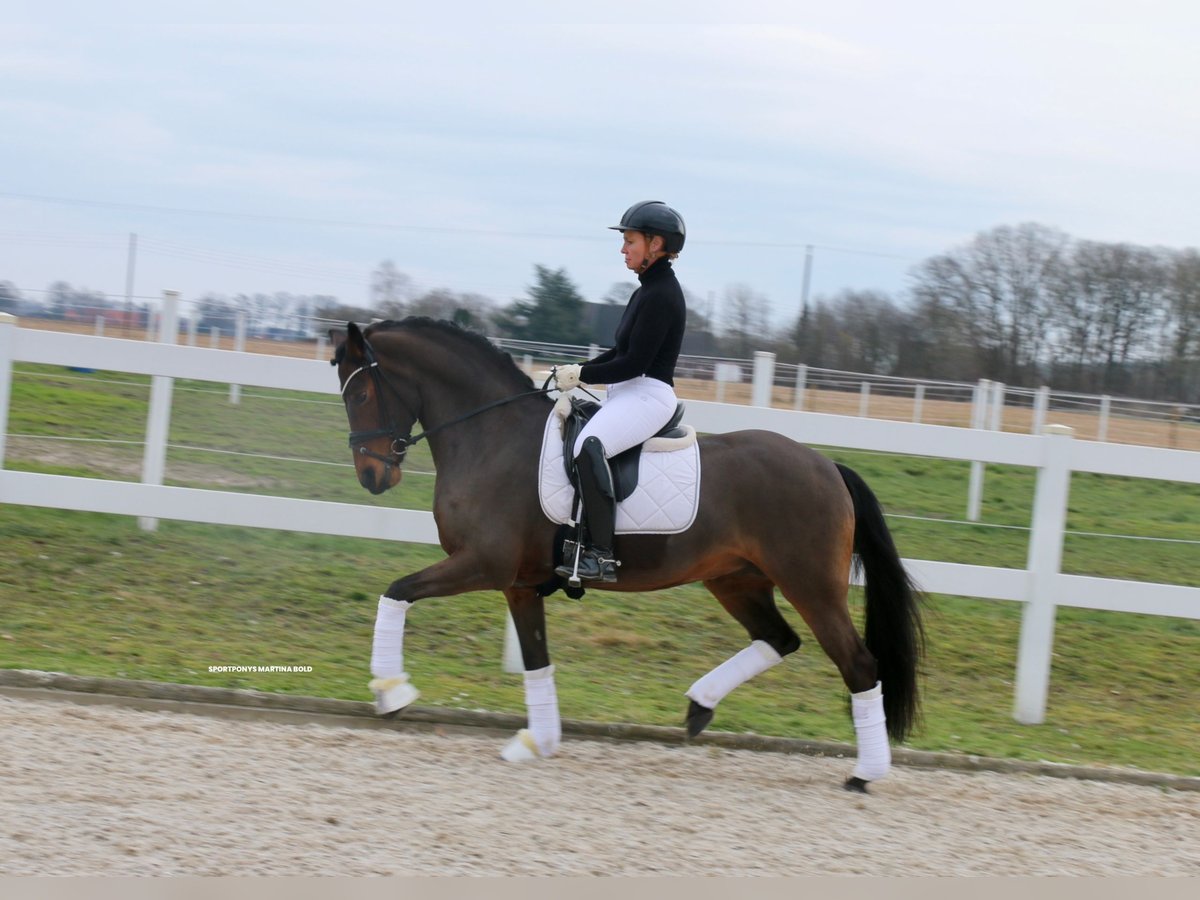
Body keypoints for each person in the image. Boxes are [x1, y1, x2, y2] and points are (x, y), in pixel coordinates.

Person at [552, 200, 688, 584]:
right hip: (629, 391)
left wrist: (583, 373)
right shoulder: (646, 290)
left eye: (630, 241)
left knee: (589, 445)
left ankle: (601, 555)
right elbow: (620, 353)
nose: (623, 249)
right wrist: (577, 371)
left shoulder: (662, 294)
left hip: (648, 394)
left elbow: (635, 364)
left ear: (655, 244)